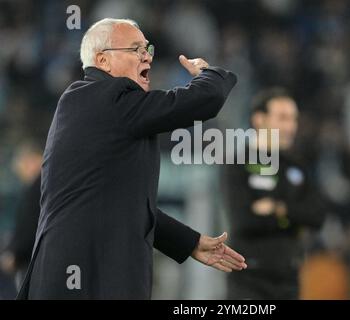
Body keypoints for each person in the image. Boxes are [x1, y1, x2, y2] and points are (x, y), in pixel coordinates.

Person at [17, 18, 246, 300]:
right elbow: (205, 98)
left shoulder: (95, 106)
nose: (147, 55)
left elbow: (123, 201)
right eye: (135, 49)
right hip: (85, 276)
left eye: (147, 48)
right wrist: (208, 73)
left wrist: (189, 242)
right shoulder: (106, 97)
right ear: (103, 60)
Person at [224, 88, 327, 299]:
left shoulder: (297, 165)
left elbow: (317, 216)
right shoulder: (238, 163)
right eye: (282, 118)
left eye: (293, 119)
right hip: (249, 278)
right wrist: (293, 216)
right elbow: (244, 221)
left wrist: (278, 208)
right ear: (259, 119)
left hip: (289, 276)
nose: (291, 127)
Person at [0, 141, 43, 289]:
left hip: (32, 260)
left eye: (23, 167)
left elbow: (30, 224)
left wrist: (14, 253)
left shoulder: (38, 186)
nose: (22, 174)